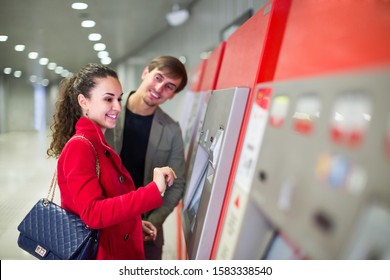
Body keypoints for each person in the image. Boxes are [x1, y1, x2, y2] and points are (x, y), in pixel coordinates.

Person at [46, 63, 177, 260]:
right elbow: (92, 213)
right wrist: (153, 190)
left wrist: (131, 223)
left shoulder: (97, 143)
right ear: (84, 101)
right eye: (108, 99)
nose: (117, 107)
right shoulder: (80, 147)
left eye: (119, 99)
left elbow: (109, 203)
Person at [105, 55, 188, 259]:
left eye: (169, 86)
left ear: (173, 95)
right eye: (158, 78)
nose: (159, 88)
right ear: (145, 73)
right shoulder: (106, 113)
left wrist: (154, 221)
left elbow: (177, 185)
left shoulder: (171, 130)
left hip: (146, 229)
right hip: (104, 221)